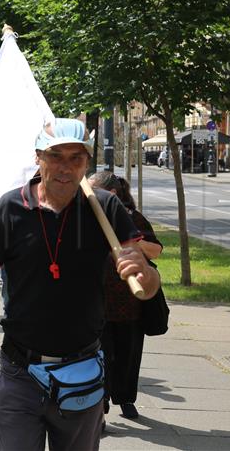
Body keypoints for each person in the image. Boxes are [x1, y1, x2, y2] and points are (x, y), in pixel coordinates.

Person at [0, 118, 161, 451]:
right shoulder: (10, 209)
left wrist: (146, 275)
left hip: (82, 373)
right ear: (38, 158)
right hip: (20, 372)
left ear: (87, 163)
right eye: (56, 156)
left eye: (76, 158)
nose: (66, 167)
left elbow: (144, 284)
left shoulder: (104, 207)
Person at [88, 171, 163, 421]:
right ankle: (101, 405)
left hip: (129, 305)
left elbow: (156, 250)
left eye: (92, 191)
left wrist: (131, 241)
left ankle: (126, 399)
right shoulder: (83, 219)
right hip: (96, 303)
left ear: (110, 194)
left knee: (127, 355)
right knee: (100, 357)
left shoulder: (131, 219)